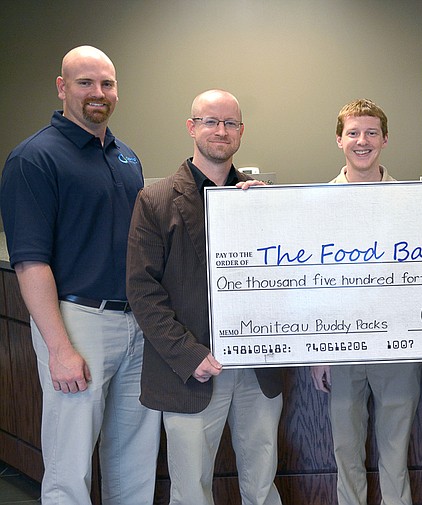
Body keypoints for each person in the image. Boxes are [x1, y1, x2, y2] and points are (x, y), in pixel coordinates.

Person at [0, 46, 161, 504]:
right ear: (62, 87)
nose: (98, 93)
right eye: (85, 82)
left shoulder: (126, 157)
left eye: (107, 84)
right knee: (70, 466)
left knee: (134, 461)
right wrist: (59, 348)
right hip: (77, 323)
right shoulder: (33, 158)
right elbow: (30, 262)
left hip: (136, 324)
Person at [126, 89, 284, 505]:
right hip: (191, 370)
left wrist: (273, 214)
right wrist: (186, 354)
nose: (221, 130)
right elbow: (143, 291)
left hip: (256, 369)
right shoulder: (155, 201)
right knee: (192, 488)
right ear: (192, 127)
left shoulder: (260, 200)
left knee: (262, 483)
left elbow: (285, 275)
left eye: (230, 123)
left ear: (241, 132)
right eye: (211, 121)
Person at [310, 99, 422, 505]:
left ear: (385, 140)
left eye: (371, 132)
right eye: (353, 133)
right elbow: (309, 281)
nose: (362, 141)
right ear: (339, 140)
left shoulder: (411, 202)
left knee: (395, 454)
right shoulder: (316, 203)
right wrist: (317, 350)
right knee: (346, 451)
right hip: (340, 346)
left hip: (398, 345)